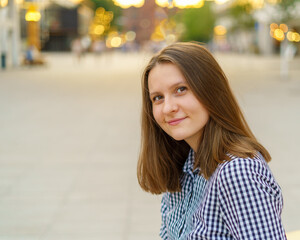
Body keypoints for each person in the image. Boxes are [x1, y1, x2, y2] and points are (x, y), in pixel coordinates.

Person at [137, 42, 286, 239]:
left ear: (211, 91)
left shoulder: (237, 172)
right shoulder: (187, 165)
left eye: (181, 89)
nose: (167, 108)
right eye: (157, 98)